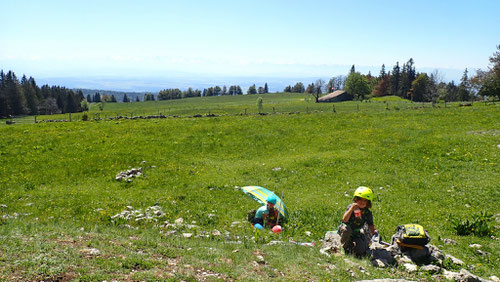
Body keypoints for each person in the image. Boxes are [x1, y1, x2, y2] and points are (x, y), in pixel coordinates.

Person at [338, 186, 376, 257]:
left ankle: (351, 247)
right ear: (356, 199)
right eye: (360, 200)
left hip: (356, 232)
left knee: (361, 249)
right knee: (346, 229)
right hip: (346, 230)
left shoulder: (367, 213)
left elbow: (370, 225)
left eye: (365, 200)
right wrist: (352, 209)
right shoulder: (351, 208)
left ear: (368, 202)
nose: (362, 202)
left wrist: (372, 234)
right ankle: (343, 248)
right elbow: (344, 220)